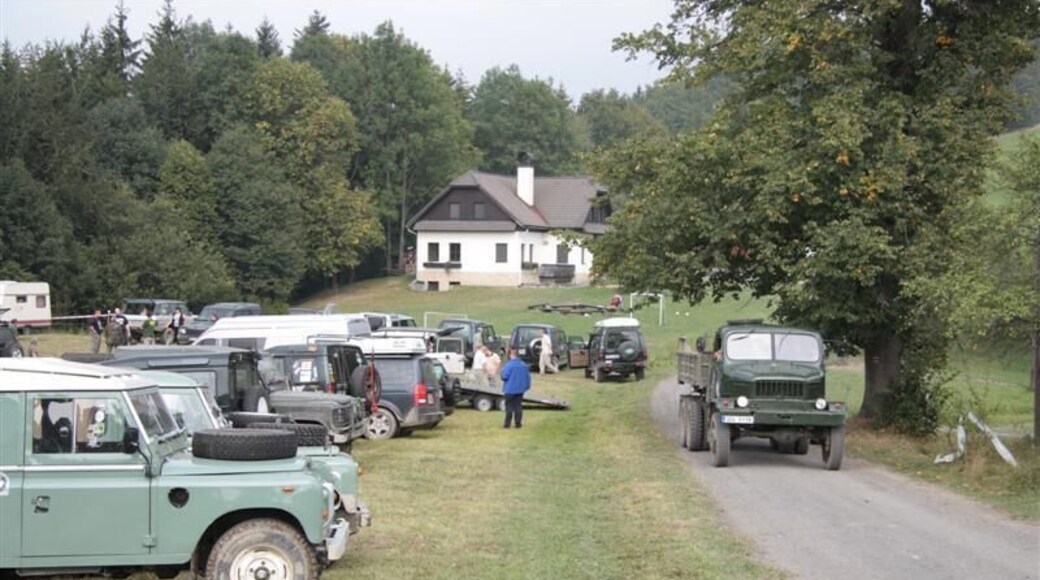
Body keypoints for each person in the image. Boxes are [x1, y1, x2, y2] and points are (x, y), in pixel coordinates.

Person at [500, 348, 531, 429]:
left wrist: (501, 374)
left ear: (511, 355)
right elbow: (528, 377)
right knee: (518, 406)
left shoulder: (509, 365)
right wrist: (526, 386)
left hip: (510, 389)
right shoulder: (523, 365)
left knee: (509, 407)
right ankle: (518, 424)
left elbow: (504, 376)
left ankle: (507, 424)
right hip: (520, 390)